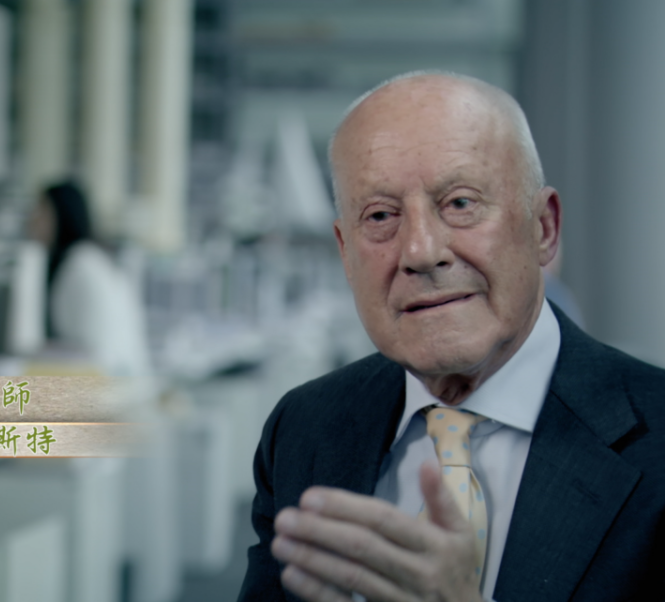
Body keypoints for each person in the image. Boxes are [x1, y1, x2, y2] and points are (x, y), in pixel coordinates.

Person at [238, 72, 665, 602]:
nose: (420, 251)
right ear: (345, 253)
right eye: (380, 216)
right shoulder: (303, 428)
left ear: (543, 228)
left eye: (460, 203)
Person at [27, 181, 151, 378]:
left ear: (62, 215)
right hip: (114, 380)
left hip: (104, 381)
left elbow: (89, 352)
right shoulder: (90, 259)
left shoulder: (79, 265)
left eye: (41, 212)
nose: (32, 221)